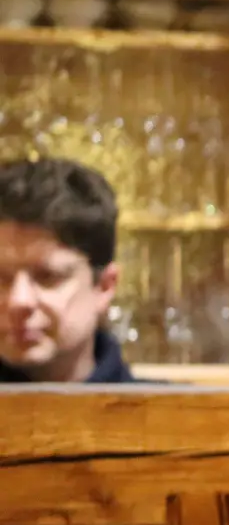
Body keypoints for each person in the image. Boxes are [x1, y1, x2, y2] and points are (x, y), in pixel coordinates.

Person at [0, 156, 137, 384]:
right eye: (1, 278)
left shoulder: (166, 414)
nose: (19, 300)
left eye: (48, 277)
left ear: (104, 286)